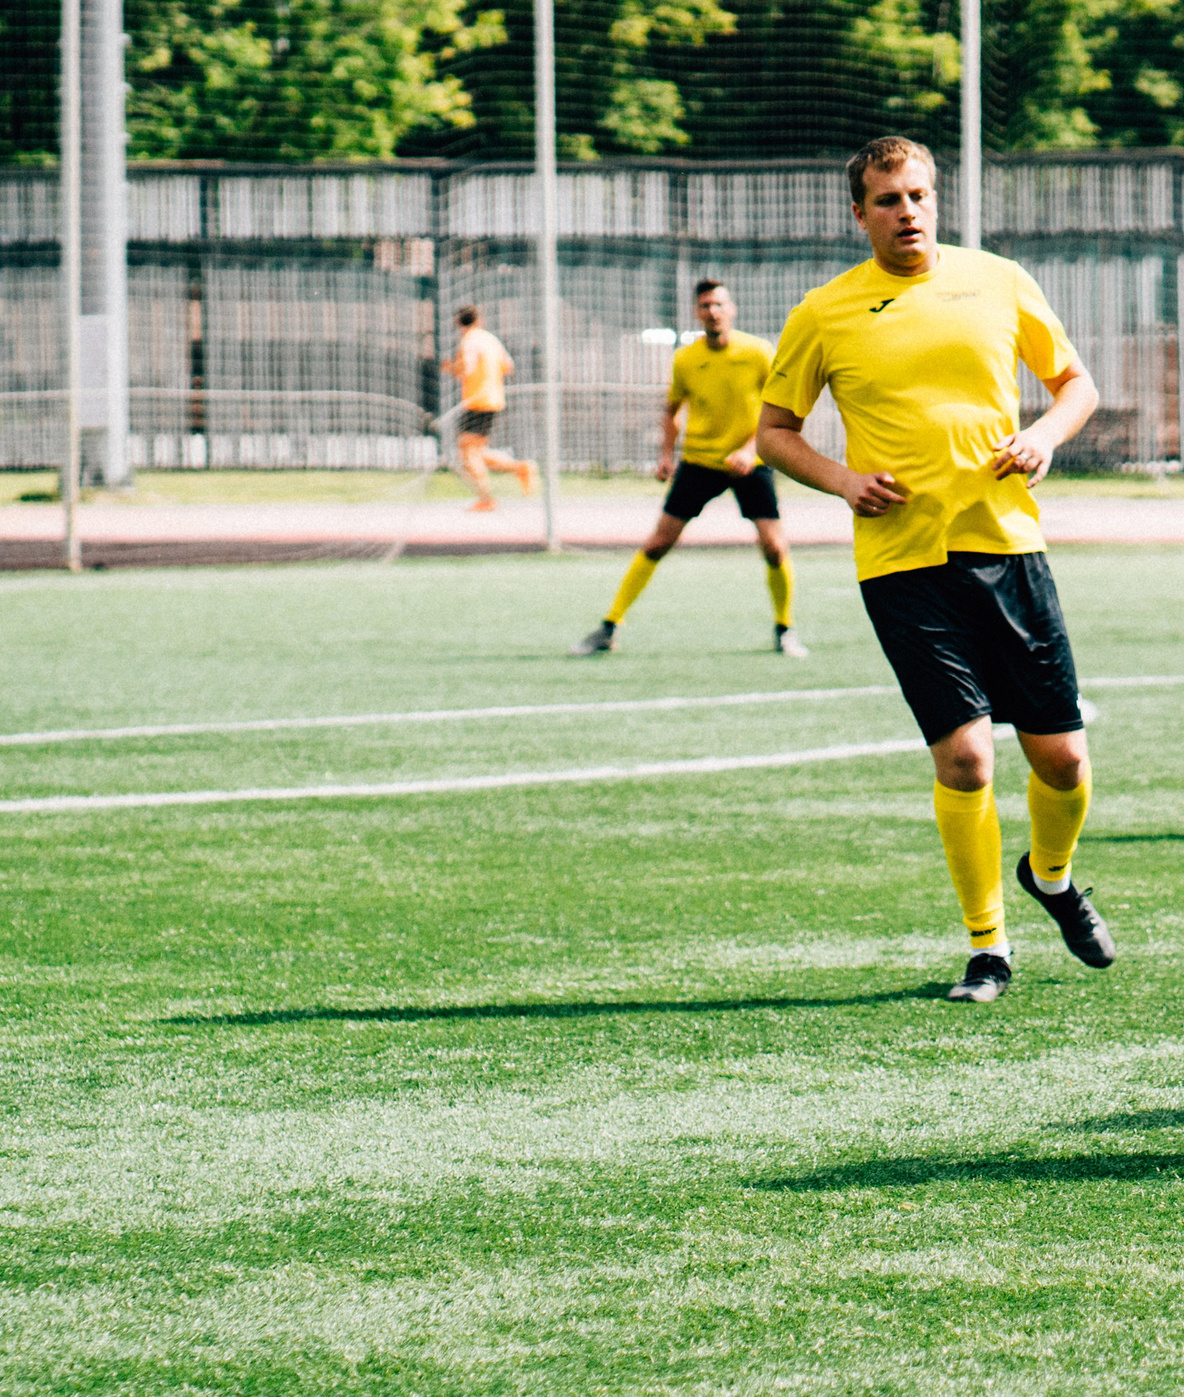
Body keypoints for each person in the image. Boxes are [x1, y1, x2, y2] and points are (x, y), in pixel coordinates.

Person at [757, 137, 1115, 1005]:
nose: (906, 211)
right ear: (860, 215)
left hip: (1008, 546)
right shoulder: (825, 312)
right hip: (902, 563)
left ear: (935, 200)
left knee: (1062, 759)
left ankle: (1055, 878)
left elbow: (1076, 386)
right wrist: (842, 480)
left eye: (918, 194)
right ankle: (987, 948)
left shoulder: (998, 279)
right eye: (887, 200)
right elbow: (773, 431)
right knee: (965, 760)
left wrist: (1042, 437)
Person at [573, 281, 805, 658]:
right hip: (698, 462)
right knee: (658, 543)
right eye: (705, 305)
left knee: (775, 548)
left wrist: (750, 450)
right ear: (697, 313)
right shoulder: (685, 358)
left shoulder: (759, 352)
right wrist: (666, 454)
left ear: (732, 309)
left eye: (718, 304)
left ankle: (785, 629)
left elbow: (778, 411)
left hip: (749, 464)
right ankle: (609, 626)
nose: (712, 311)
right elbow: (671, 409)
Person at [444, 306, 536, 511]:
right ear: (479, 320)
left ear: (459, 323)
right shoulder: (490, 339)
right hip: (493, 399)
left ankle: (486, 499)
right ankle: (520, 467)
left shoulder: (468, 341)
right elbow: (508, 366)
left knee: (468, 453)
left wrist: (450, 367)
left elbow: (466, 368)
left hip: (477, 400)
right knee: (476, 451)